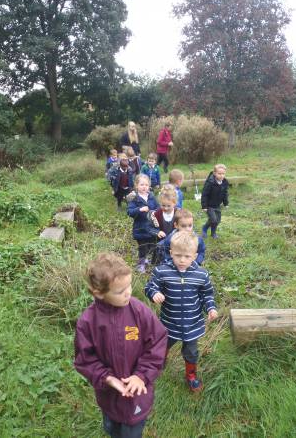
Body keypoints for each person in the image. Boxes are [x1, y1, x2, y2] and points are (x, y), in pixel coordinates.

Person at [74, 252, 167, 438]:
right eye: (120, 291)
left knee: (132, 432)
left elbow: (158, 341)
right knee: (111, 428)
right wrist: (107, 378)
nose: (128, 293)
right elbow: (85, 360)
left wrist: (141, 376)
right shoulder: (88, 322)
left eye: (129, 286)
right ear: (98, 293)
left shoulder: (139, 310)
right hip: (109, 395)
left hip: (138, 394)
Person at [145, 231, 218, 392]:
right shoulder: (162, 271)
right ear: (171, 253)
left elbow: (207, 294)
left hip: (192, 323)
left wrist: (211, 308)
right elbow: (150, 287)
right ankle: (159, 364)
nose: (182, 260)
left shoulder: (201, 274)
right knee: (162, 345)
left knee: (191, 352)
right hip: (169, 322)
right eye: (178, 255)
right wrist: (154, 293)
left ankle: (191, 375)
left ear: (195, 255)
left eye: (187, 256)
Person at [127, 174, 159, 273]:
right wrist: (139, 209)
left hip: (152, 228)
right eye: (141, 185)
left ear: (149, 185)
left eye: (146, 184)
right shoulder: (135, 199)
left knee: (153, 246)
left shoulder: (151, 197)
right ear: (136, 186)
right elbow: (130, 212)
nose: (144, 187)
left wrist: (155, 212)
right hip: (140, 229)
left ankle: (152, 262)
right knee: (143, 248)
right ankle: (141, 264)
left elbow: (157, 208)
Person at [201, 164, 229, 239]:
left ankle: (213, 233)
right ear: (214, 173)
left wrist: (226, 203)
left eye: (223, 174)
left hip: (217, 205)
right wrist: (204, 206)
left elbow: (225, 193)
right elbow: (204, 194)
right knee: (213, 220)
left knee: (217, 221)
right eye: (219, 174)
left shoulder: (224, 182)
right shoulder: (210, 183)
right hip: (209, 205)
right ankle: (204, 228)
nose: (221, 176)